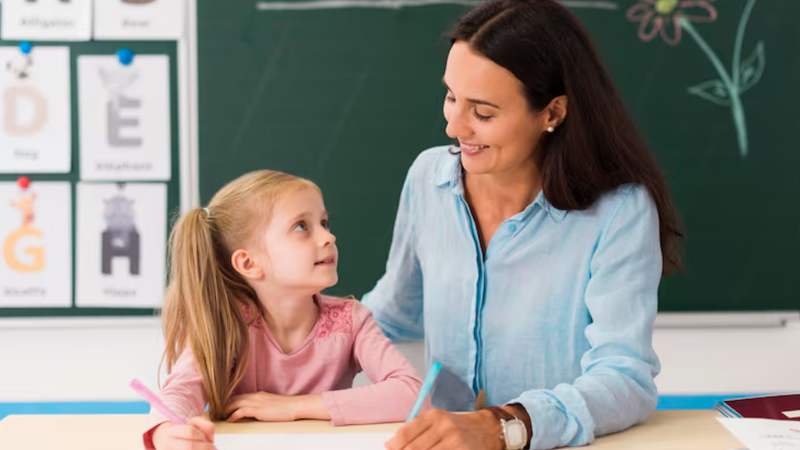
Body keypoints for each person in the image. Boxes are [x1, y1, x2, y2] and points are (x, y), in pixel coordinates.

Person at [361, 0, 684, 449]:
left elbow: (624, 378)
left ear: (552, 113)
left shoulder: (619, 211)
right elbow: (390, 315)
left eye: (483, 113)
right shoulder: (427, 179)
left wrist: (503, 426)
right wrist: (267, 358)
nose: (453, 126)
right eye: (451, 96)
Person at [143, 170, 425, 450]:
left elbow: (413, 394)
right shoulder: (226, 325)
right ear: (249, 264)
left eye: (324, 223)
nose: (329, 237)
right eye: (301, 227)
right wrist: (165, 433)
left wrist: (293, 407)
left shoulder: (352, 320)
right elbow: (180, 393)